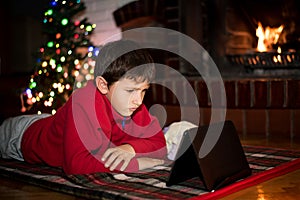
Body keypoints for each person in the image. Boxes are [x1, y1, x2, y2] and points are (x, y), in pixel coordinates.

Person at [0, 40, 167, 174]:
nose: (138, 100)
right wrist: (136, 163)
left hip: (53, 123)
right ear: (103, 85)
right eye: (130, 90)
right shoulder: (84, 101)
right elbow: (76, 164)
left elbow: (160, 145)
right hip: (21, 136)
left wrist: (131, 149)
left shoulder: (134, 105)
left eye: (144, 91)